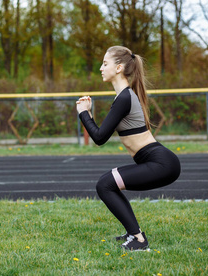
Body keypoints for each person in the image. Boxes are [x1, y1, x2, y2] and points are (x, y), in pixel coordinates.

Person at [76, 46, 180, 251]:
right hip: (159, 162)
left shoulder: (124, 97)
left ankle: (139, 240)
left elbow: (99, 137)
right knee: (107, 183)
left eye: (105, 64)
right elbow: (101, 133)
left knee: (105, 184)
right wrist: (88, 114)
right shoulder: (123, 96)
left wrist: (83, 113)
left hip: (161, 163)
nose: (100, 68)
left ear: (119, 68)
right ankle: (133, 233)